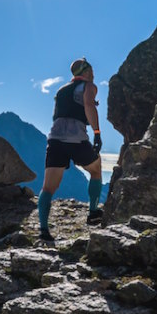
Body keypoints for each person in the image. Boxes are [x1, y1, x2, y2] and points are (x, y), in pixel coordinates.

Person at [38, 57, 104, 240]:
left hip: (55, 139)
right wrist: (97, 133)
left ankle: (43, 230)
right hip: (77, 139)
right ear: (86, 71)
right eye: (91, 70)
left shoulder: (61, 90)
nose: (93, 73)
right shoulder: (89, 87)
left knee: (48, 187)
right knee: (96, 169)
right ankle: (93, 212)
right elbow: (89, 106)